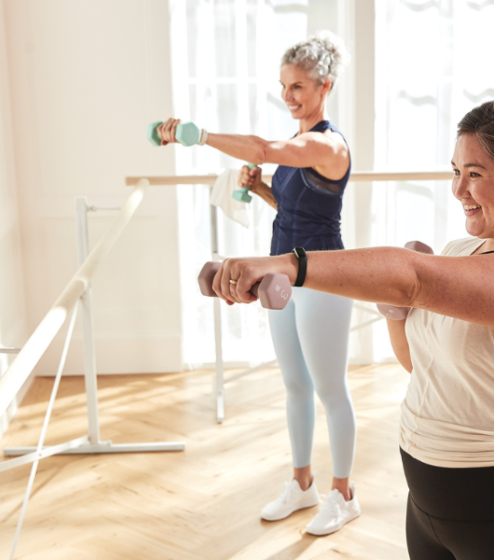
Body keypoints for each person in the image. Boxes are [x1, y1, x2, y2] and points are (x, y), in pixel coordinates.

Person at [210, 100, 494, 559]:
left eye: (474, 173)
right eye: (455, 171)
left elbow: (415, 276)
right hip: (430, 507)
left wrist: (287, 264)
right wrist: (396, 313)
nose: (457, 189)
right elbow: (422, 364)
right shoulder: (461, 249)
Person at [157, 32, 359, 536]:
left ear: (324, 86)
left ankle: (344, 494)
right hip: (283, 270)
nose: (288, 96)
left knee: (331, 388)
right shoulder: (299, 145)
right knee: (295, 384)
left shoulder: (325, 144)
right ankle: (302, 483)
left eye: (298, 87)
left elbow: (266, 147)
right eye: (283, 87)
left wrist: (198, 135)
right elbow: (294, 211)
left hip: (325, 274)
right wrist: (262, 187)